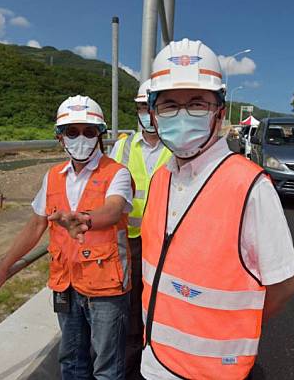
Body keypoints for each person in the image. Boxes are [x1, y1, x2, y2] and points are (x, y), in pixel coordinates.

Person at [143, 38, 294, 379]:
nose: (182, 115)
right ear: (153, 114)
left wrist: (235, 327)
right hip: (153, 358)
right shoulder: (161, 180)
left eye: (197, 103)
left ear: (220, 112)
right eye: (169, 104)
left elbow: (285, 283)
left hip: (214, 370)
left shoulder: (250, 187)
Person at [0, 95, 133, 380]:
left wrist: (85, 220)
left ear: (99, 135)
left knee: (108, 367)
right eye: (72, 131)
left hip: (106, 286)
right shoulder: (53, 176)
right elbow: (35, 226)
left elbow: (114, 208)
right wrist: (2, 269)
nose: (80, 137)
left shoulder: (116, 173)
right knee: (71, 360)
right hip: (65, 284)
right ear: (60, 137)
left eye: (89, 131)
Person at [110, 79, 172, 380]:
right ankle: (133, 368)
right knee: (133, 308)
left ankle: (162, 359)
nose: (147, 113)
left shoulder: (176, 147)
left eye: (153, 107)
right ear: (136, 110)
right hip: (132, 242)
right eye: (142, 107)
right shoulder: (122, 146)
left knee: (164, 305)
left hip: (166, 244)